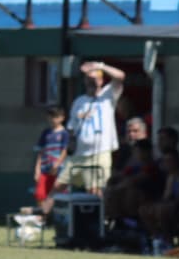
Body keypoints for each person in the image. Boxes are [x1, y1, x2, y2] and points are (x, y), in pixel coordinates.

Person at [52, 60, 125, 198]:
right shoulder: (79, 101)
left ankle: (101, 218)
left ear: (101, 80)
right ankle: (44, 217)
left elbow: (120, 76)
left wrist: (100, 66)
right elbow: (71, 129)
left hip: (99, 152)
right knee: (58, 186)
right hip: (78, 154)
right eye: (89, 79)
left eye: (95, 79)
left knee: (96, 191)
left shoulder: (108, 95)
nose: (91, 82)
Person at [33, 106, 68, 214]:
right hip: (45, 169)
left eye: (56, 117)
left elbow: (65, 151)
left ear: (62, 118)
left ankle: (59, 218)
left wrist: (57, 164)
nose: (53, 120)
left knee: (59, 196)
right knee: (40, 194)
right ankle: (43, 218)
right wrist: (37, 169)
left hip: (59, 170)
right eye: (50, 117)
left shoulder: (64, 133)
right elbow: (40, 151)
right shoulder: (46, 133)